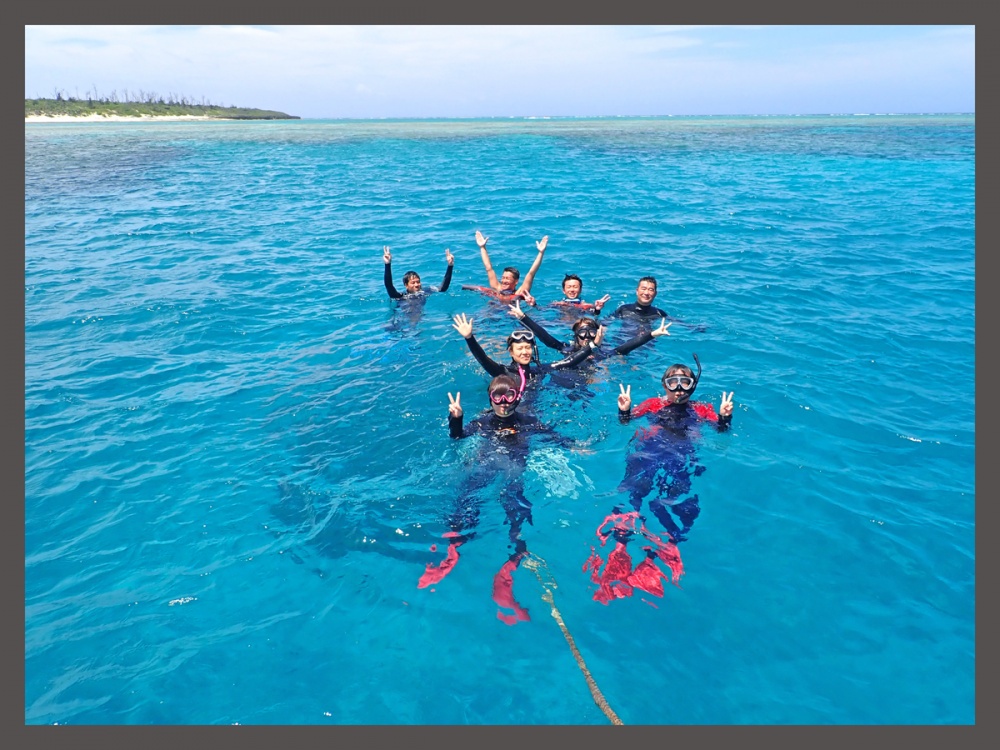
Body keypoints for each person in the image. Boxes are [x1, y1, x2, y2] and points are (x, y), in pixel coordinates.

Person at [419, 374, 574, 625]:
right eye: (497, 397)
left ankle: (515, 554)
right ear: (490, 399)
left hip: (515, 467)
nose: (503, 402)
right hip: (488, 464)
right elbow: (457, 437)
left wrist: (576, 446)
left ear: (517, 397)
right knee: (467, 495)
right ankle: (453, 546)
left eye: (509, 396)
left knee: (516, 504)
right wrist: (456, 418)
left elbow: (554, 436)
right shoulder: (482, 422)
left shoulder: (528, 420)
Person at [583, 354, 735, 604]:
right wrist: (623, 410)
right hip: (648, 453)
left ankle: (657, 553)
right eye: (673, 382)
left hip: (680, 458)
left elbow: (720, 430)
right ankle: (620, 546)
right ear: (664, 385)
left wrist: (725, 417)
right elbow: (628, 421)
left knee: (680, 500)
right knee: (636, 491)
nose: (678, 388)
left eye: (684, 382)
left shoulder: (701, 409)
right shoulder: (653, 404)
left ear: (693, 386)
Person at [451, 312, 593, 400]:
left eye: (527, 348)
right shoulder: (503, 373)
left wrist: (593, 346)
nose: (525, 352)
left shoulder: (538, 371)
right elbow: (483, 359)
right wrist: (469, 337)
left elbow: (568, 361)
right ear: (511, 352)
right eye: (519, 348)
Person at [508, 299, 671, 362]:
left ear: (597, 334)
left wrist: (652, 334)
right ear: (575, 335)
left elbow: (627, 346)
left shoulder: (604, 352)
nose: (587, 337)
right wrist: (523, 317)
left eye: (591, 333)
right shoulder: (567, 348)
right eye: (582, 333)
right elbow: (544, 336)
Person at [461, 230, 547, 305]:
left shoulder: (520, 292)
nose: (503, 281)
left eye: (507, 278)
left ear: (516, 281)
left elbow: (531, 273)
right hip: (494, 312)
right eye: (503, 278)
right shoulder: (496, 288)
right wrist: (482, 247)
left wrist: (541, 253)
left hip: (510, 316)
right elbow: (489, 268)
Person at [604, 276, 705, 332]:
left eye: (650, 290)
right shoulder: (624, 309)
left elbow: (677, 322)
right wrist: (596, 311)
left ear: (655, 294)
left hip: (646, 344)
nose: (646, 293)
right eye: (643, 289)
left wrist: (695, 327)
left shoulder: (658, 313)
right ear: (637, 291)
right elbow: (604, 323)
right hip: (623, 340)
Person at [383, 245, 454, 299]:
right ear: (406, 285)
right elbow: (389, 286)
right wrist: (387, 264)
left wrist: (450, 265)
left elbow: (442, 289)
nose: (417, 285)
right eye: (413, 283)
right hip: (405, 317)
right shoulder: (402, 297)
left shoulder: (425, 291)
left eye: (418, 282)